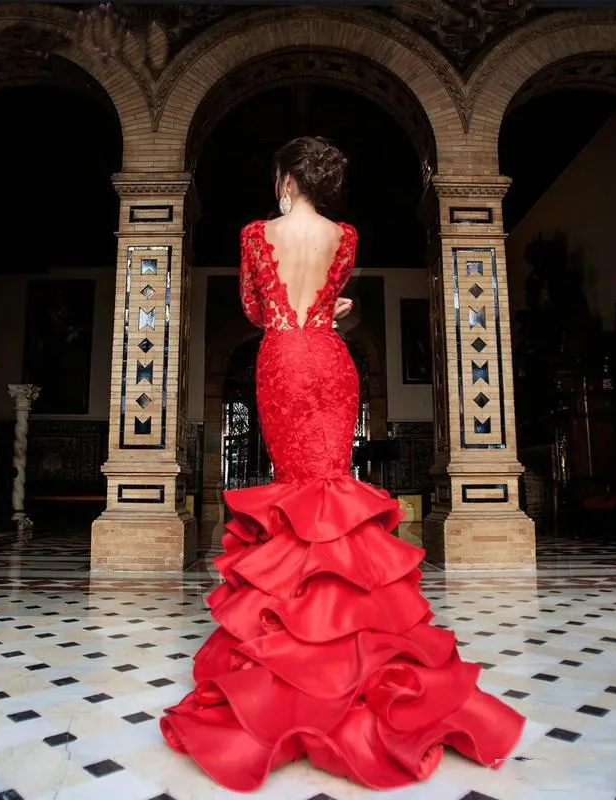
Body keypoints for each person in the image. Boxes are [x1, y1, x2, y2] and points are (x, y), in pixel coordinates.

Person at [160, 136, 525, 791]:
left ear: (287, 177)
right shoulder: (346, 236)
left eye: (278, 174)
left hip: (281, 359)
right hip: (333, 361)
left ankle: (297, 664)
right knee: (333, 489)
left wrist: (293, 311)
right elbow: (325, 301)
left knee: (295, 493)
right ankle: (356, 646)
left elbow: (254, 308)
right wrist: (334, 311)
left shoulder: (254, 233)